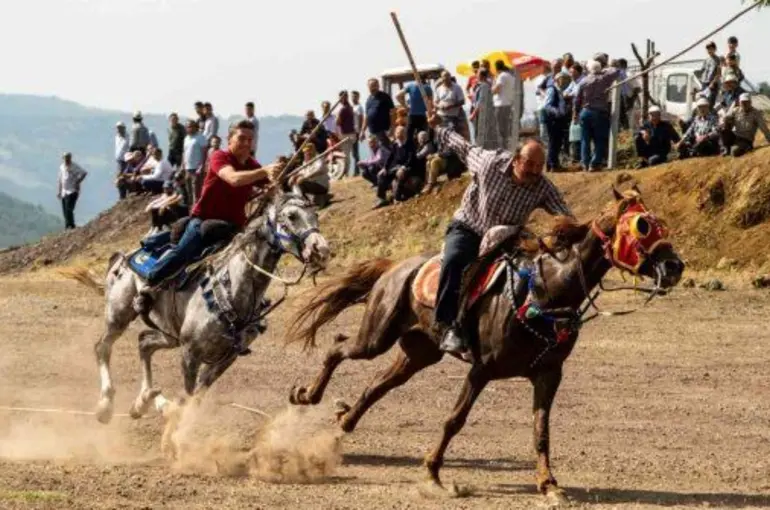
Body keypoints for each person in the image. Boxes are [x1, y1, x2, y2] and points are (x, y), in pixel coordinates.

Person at [428, 114, 572, 359]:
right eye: (530, 164)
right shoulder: (488, 163)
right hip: (469, 228)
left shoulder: (542, 186)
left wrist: (579, 231)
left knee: (535, 270)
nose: (535, 171)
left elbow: (564, 214)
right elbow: (461, 146)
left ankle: (533, 323)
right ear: (516, 159)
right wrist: (437, 126)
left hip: (507, 237)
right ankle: (447, 325)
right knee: (454, 262)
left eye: (540, 166)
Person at [134, 120, 278, 310]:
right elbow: (233, 179)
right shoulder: (220, 156)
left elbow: (269, 182)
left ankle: (252, 299)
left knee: (254, 259)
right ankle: (149, 286)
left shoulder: (251, 164)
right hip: (203, 220)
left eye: (250, 139)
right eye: (241, 138)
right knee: (183, 252)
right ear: (229, 139)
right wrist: (264, 171)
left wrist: (274, 181)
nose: (246, 143)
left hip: (234, 226)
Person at [574, 60, 621, 171]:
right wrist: (607, 68)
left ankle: (585, 163)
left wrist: (575, 113)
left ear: (589, 69)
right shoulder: (604, 78)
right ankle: (594, 164)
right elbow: (617, 70)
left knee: (585, 139)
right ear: (600, 69)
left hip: (585, 112)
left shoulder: (583, 81)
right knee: (600, 139)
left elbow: (577, 100)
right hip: (599, 113)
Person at [373, 125, 415, 208]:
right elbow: (390, 157)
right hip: (397, 167)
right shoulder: (395, 145)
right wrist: (385, 168)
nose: (399, 135)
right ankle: (382, 198)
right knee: (382, 175)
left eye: (400, 133)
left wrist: (403, 168)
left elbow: (411, 159)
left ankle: (397, 198)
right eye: (397, 133)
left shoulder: (409, 144)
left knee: (400, 175)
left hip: (408, 167)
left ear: (404, 134)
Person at [721, 93, 770, 157]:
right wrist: (726, 120)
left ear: (750, 102)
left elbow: (764, 128)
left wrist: (769, 138)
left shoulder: (756, 113)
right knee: (723, 127)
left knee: (734, 152)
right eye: (742, 102)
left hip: (746, 139)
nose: (744, 104)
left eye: (746, 102)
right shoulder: (736, 110)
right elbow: (725, 118)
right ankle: (726, 148)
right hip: (735, 136)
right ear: (739, 102)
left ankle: (747, 147)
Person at [543, 72, 571, 171]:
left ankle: (551, 163)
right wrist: (558, 112)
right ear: (557, 80)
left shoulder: (559, 90)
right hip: (553, 119)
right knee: (554, 141)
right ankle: (553, 164)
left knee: (556, 142)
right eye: (564, 79)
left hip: (558, 119)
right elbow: (547, 105)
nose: (566, 82)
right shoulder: (552, 89)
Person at [289, 144, 331, 208]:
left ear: (313, 150)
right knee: (294, 182)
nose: (306, 153)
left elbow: (318, 169)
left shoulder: (318, 158)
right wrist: (294, 176)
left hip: (321, 185)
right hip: (312, 184)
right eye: (305, 152)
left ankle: (307, 202)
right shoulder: (306, 162)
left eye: (308, 151)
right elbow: (302, 172)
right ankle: (304, 202)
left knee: (301, 183)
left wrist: (305, 178)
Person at [470, 68, 500, 151]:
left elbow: (480, 102)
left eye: (478, 74)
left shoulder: (484, 86)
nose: (476, 75)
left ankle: (480, 148)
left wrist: (473, 114)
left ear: (481, 76)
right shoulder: (482, 85)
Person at [397, 79, 433, 145]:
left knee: (409, 135)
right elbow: (431, 103)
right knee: (422, 136)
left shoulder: (411, 86)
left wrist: (405, 106)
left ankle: (411, 150)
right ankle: (420, 150)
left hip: (413, 115)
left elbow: (398, 96)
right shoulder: (427, 88)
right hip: (422, 115)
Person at [57, 152, 88, 230]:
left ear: (70, 158)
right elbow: (60, 179)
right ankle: (68, 225)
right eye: (65, 158)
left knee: (69, 209)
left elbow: (84, 173)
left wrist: (78, 181)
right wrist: (59, 191)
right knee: (65, 210)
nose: (66, 159)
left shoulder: (74, 166)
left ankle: (71, 226)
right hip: (64, 191)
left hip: (72, 191)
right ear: (63, 159)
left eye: (68, 158)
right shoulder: (62, 167)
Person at [362, 78, 395, 147]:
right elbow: (367, 116)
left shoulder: (385, 96)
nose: (373, 87)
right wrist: (362, 131)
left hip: (383, 130)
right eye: (371, 86)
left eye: (375, 85)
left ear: (378, 86)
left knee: (385, 151)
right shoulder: (368, 99)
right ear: (368, 87)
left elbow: (392, 112)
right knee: (375, 153)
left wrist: (392, 127)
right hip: (372, 132)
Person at [182, 119, 208, 203]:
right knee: (189, 191)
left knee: (196, 192)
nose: (189, 128)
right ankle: (191, 210)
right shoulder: (186, 138)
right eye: (187, 127)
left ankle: (197, 211)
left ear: (195, 127)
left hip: (196, 168)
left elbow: (204, 152)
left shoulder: (200, 137)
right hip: (188, 168)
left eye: (191, 126)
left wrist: (202, 165)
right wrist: (183, 165)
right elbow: (184, 152)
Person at [492, 61, 516, 149]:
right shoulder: (511, 76)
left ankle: (502, 149)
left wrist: (493, 83)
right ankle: (505, 148)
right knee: (505, 130)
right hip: (508, 104)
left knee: (499, 130)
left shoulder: (501, 76)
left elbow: (496, 90)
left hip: (500, 105)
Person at [335, 91, 357, 178]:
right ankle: (345, 172)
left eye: (340, 98)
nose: (339, 100)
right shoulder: (350, 107)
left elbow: (338, 122)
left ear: (344, 98)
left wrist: (337, 117)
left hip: (347, 134)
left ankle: (345, 173)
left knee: (345, 154)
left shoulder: (344, 109)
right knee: (347, 154)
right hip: (351, 134)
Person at [698, 42, 722, 109]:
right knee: (703, 102)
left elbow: (718, 73)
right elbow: (702, 71)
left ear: (714, 49)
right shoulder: (706, 60)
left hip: (712, 83)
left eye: (711, 49)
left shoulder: (717, 59)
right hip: (704, 83)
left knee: (710, 103)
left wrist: (713, 83)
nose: (709, 51)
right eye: (708, 49)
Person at [350, 90, 365, 171]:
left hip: (356, 131)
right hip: (350, 131)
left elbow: (361, 119)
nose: (353, 98)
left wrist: (360, 131)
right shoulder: (351, 107)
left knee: (355, 151)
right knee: (353, 152)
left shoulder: (359, 107)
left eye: (355, 96)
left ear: (358, 97)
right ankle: (357, 169)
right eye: (352, 96)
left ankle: (357, 170)